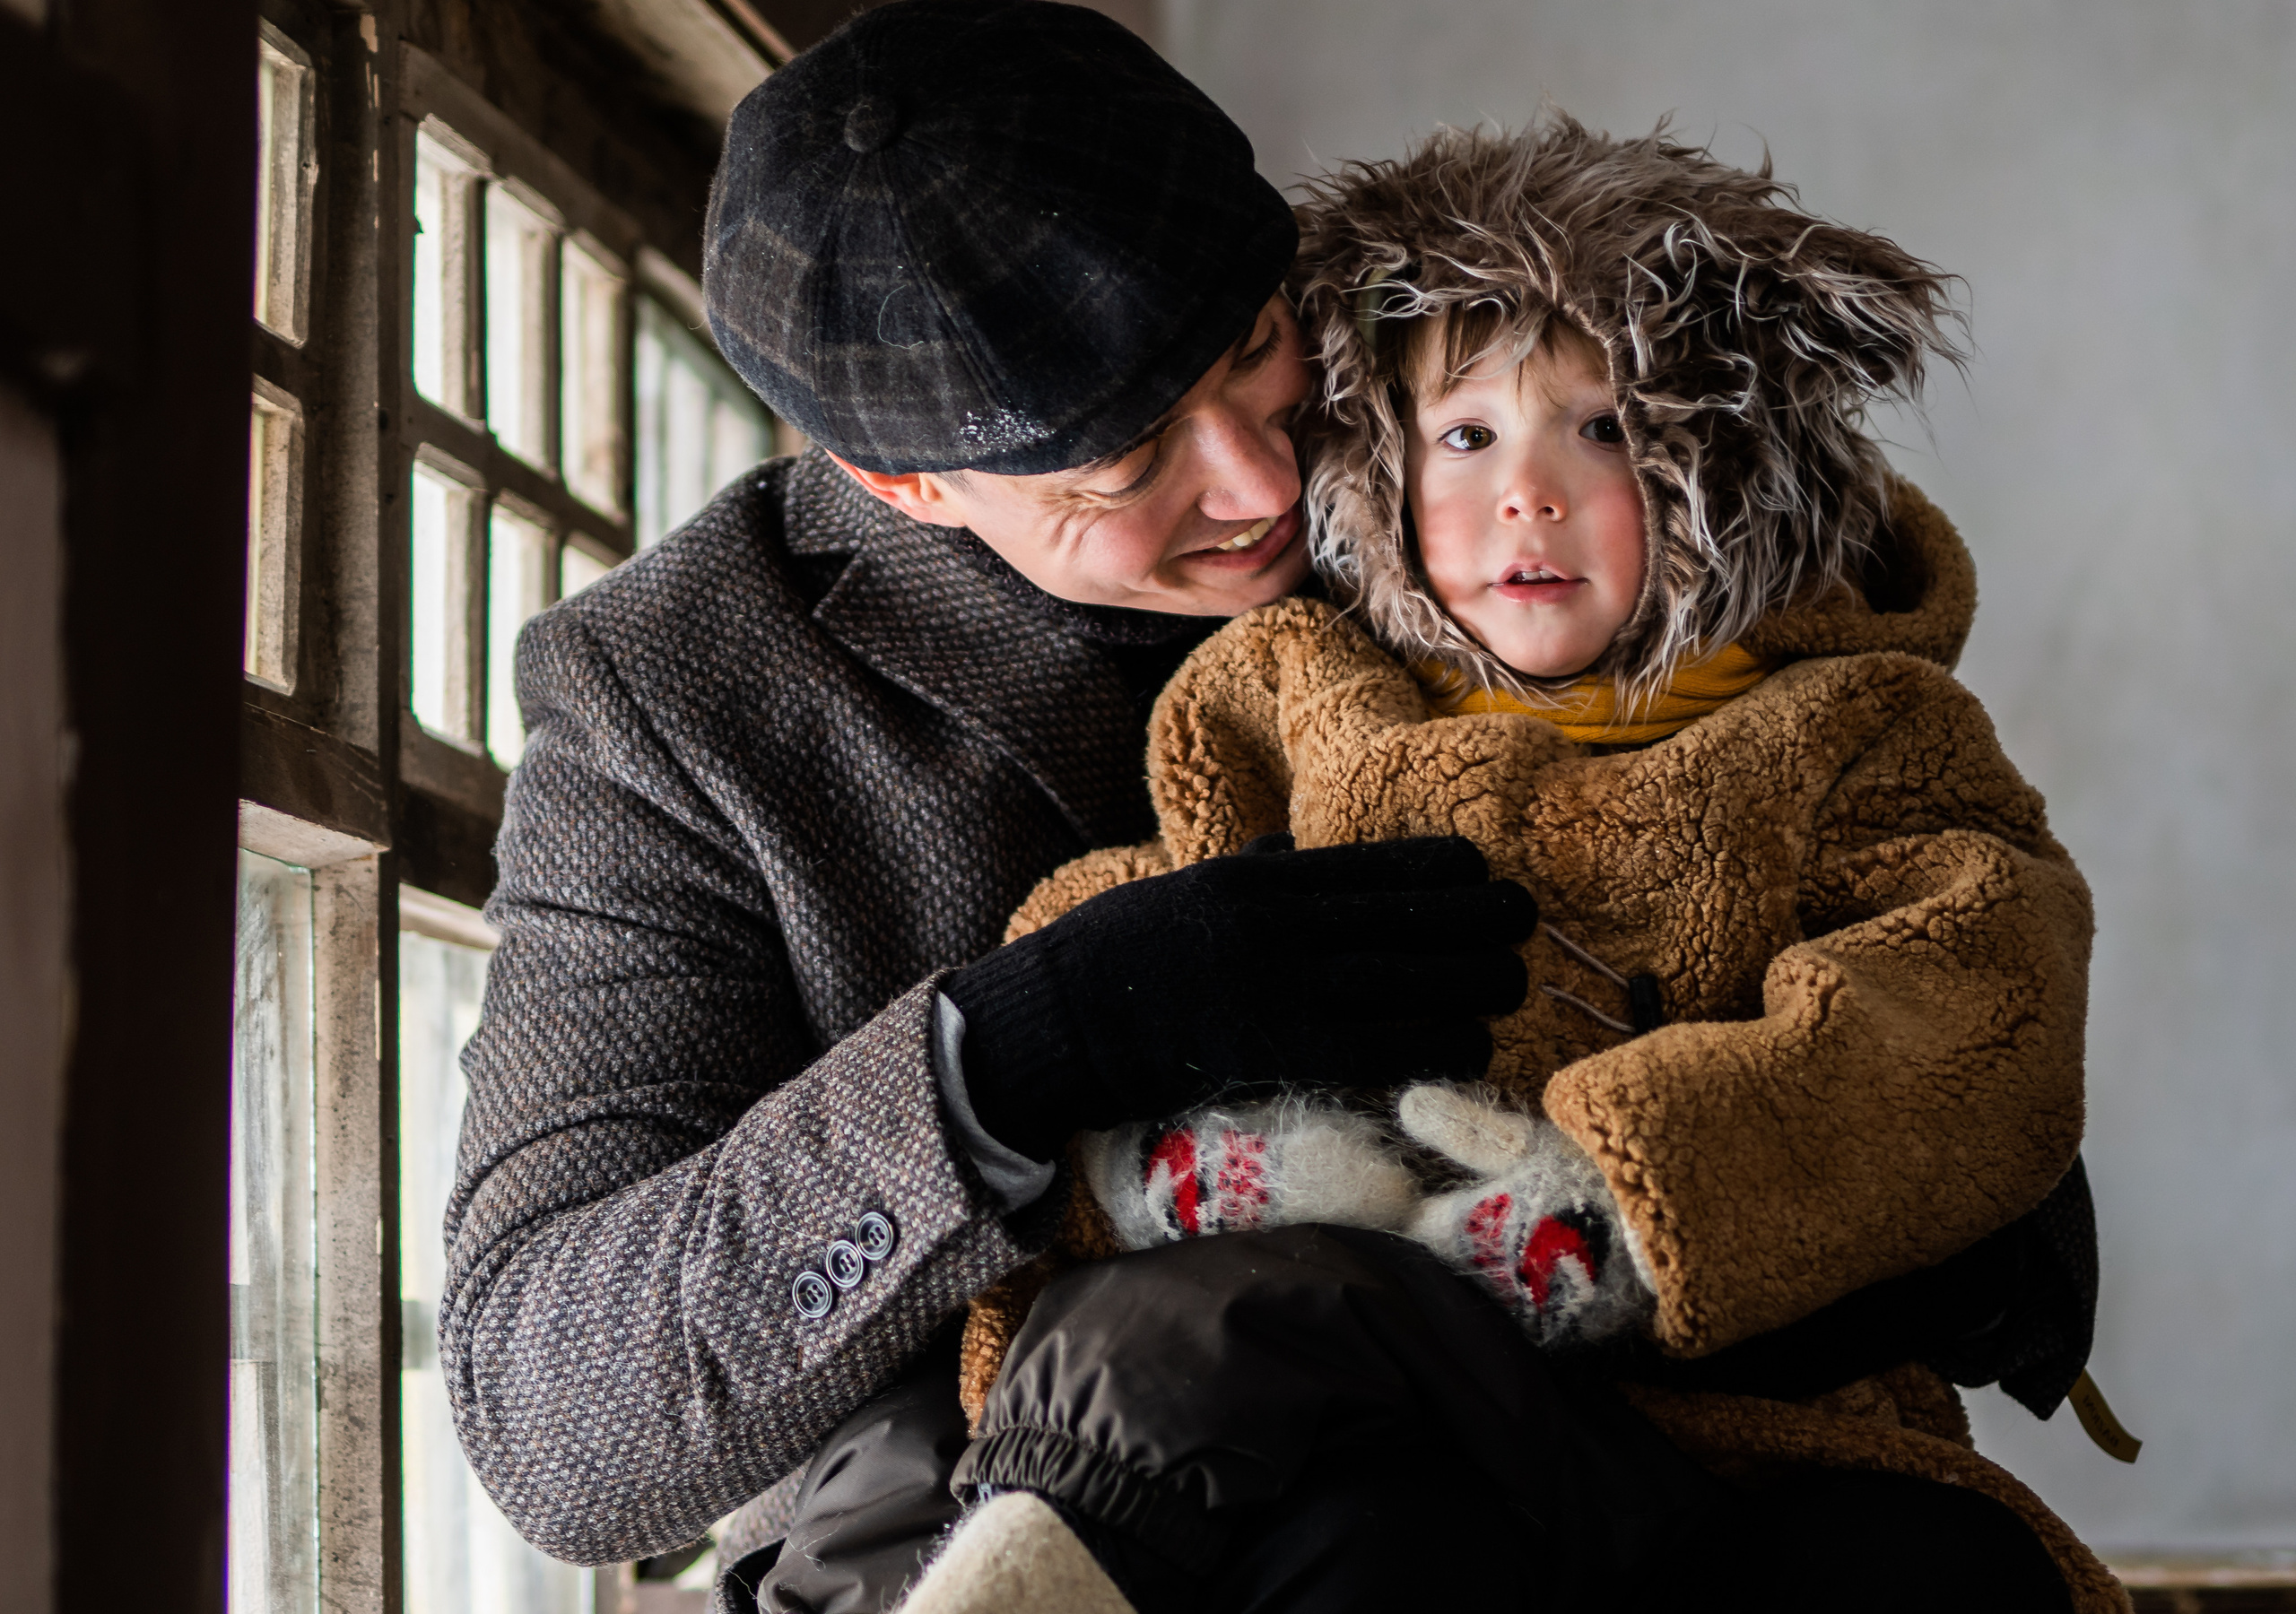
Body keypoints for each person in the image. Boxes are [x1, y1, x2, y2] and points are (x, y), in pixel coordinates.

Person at [927, 120, 2121, 1612]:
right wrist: (1160, 1161)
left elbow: (1965, 1001)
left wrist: (1632, 1195)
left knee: (1941, 1576)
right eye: (1469, 435)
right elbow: (1147, 917)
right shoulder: (1297, 685)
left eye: (1608, 430)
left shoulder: (1857, 720)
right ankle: (1062, 1541)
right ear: (1373, 463)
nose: (1530, 495)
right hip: (1371, 1378)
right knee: (1365, 1540)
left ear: (1729, 458)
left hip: (1753, 1423)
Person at [439, 2, 1538, 1608]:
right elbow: (553, 1428)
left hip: (1527, 1407)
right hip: (982, 1518)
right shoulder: (664, 703)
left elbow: (1804, 763)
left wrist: (1929, 1130)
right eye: (1125, 464)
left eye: (1250, 350)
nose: (1260, 484)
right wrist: (1017, 1052)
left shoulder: (1484, 389)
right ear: (905, 485)